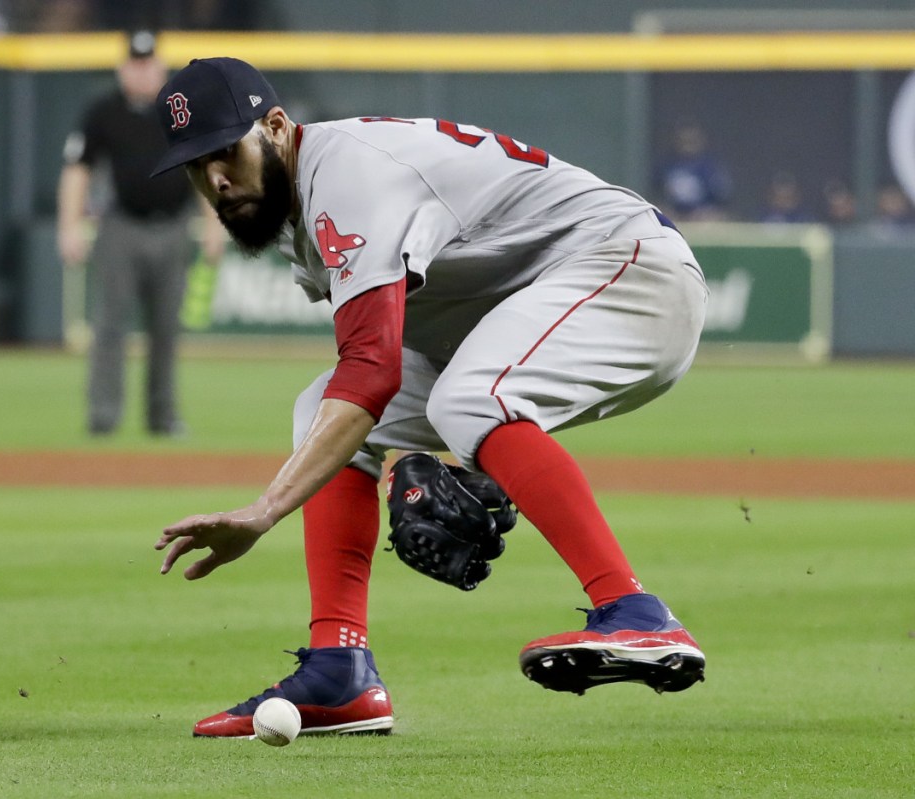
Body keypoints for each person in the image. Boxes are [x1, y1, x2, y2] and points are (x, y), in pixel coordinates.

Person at [151, 57, 709, 737]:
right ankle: (339, 669)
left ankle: (635, 611)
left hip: (630, 271)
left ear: (275, 126)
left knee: (467, 400)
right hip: (543, 291)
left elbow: (374, 370)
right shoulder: (303, 197)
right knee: (319, 410)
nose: (214, 179)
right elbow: (365, 379)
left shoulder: (346, 176)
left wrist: (265, 511)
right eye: (194, 165)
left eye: (225, 152)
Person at [57, 31, 225, 436]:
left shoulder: (179, 113)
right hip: (121, 227)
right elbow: (78, 170)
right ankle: (103, 416)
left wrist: (215, 222)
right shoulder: (103, 111)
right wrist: (69, 226)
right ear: (122, 69)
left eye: (149, 64)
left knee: (166, 330)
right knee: (110, 326)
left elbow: (204, 168)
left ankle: (163, 418)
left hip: (172, 226)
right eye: (135, 63)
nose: (142, 71)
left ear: (161, 68)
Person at [654, 120, 733, 222]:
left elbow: (721, 198)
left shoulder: (708, 167)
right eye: (683, 141)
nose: (687, 146)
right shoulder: (667, 165)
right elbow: (656, 192)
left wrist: (706, 211)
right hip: (674, 213)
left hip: (701, 214)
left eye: (691, 141)